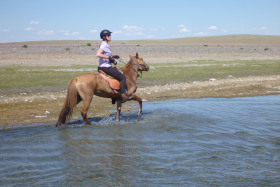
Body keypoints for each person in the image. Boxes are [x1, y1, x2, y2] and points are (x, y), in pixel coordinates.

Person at [96, 29, 129, 102]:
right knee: (122, 78)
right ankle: (123, 95)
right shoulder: (104, 45)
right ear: (104, 37)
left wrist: (113, 56)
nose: (110, 36)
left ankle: (114, 96)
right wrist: (109, 57)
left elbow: (105, 55)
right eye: (109, 35)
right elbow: (98, 54)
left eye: (110, 35)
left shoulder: (106, 45)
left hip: (105, 66)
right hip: (105, 67)